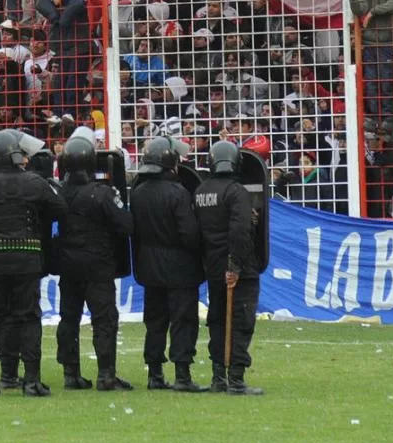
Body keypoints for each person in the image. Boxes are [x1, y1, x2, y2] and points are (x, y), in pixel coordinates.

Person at [0, 129, 67, 397]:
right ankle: (31, 380)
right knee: (28, 318)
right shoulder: (35, 183)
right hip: (27, 259)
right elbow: (61, 210)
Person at [55, 127, 134, 391]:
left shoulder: (59, 193)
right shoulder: (102, 193)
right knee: (104, 318)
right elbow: (126, 225)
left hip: (68, 264)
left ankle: (70, 373)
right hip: (98, 264)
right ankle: (106, 374)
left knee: (69, 317)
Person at [130, 136, 206, 392]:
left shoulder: (138, 193)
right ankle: (182, 374)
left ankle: (154, 373)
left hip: (149, 267)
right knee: (183, 321)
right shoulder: (178, 193)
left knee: (155, 321)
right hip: (181, 268)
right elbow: (190, 234)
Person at [193, 140, 263, 396]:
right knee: (240, 321)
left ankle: (217, 377)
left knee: (218, 321)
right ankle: (235, 378)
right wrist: (235, 265)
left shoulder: (201, 192)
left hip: (212, 265)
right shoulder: (236, 192)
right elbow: (240, 230)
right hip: (238, 268)